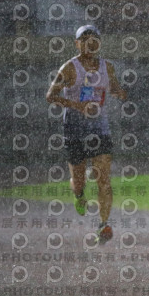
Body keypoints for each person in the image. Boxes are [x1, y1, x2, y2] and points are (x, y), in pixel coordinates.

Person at [46, 25, 127, 243]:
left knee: (104, 179)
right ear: (77, 44)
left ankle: (103, 224)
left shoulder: (107, 67)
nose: (90, 43)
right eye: (85, 39)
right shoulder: (69, 68)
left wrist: (120, 93)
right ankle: (79, 195)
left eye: (94, 39)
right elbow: (50, 95)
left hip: (100, 128)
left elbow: (114, 88)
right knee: (79, 180)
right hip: (75, 130)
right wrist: (78, 106)